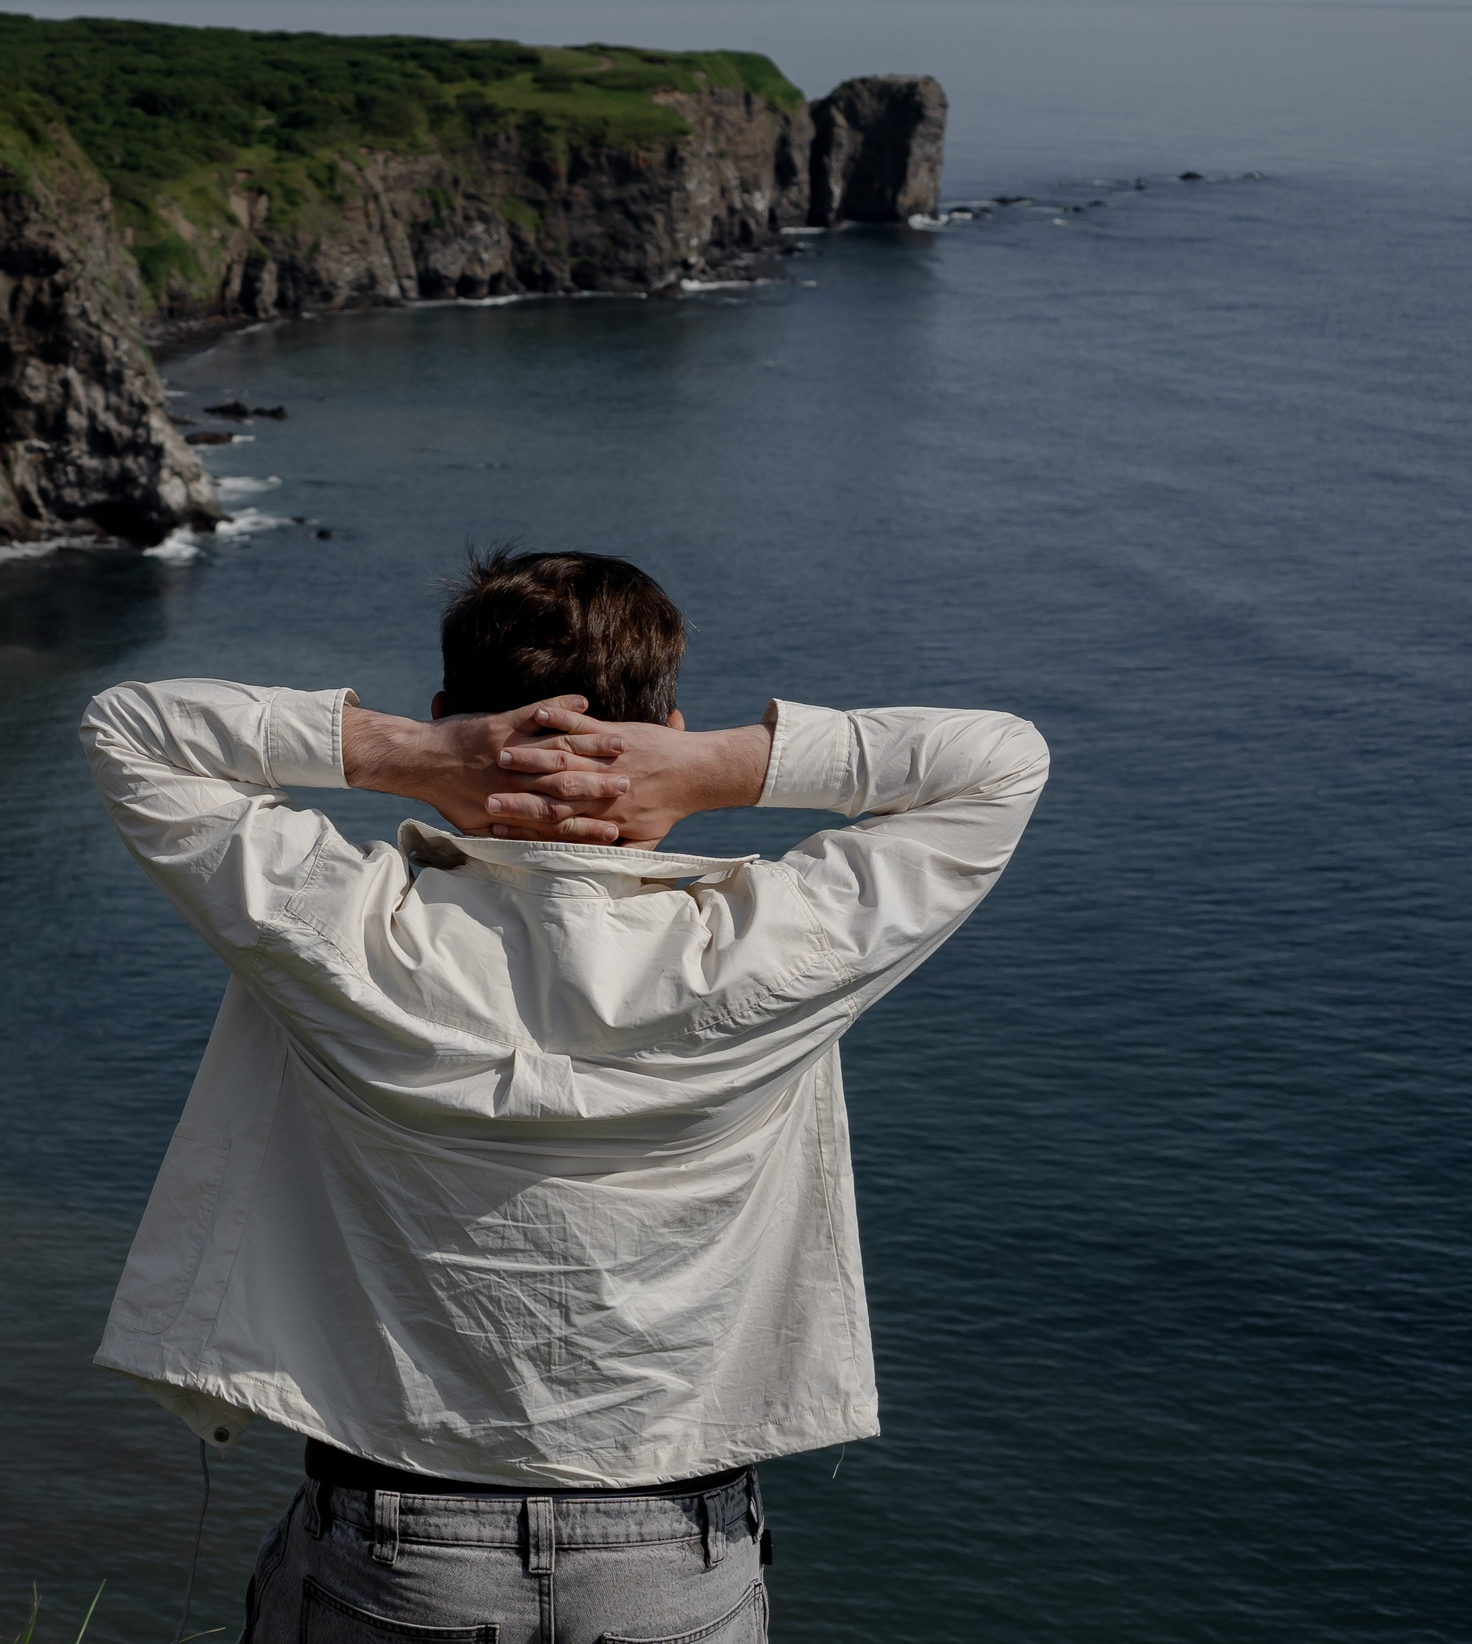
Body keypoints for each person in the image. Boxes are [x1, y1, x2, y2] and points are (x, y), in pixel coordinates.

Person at [78, 550, 1049, 1644]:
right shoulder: (774, 947)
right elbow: (999, 761)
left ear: (453, 716)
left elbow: (133, 726)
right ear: (665, 728)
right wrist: (719, 767)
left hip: (394, 1551)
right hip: (675, 1558)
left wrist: (408, 754)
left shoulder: (341, 932)